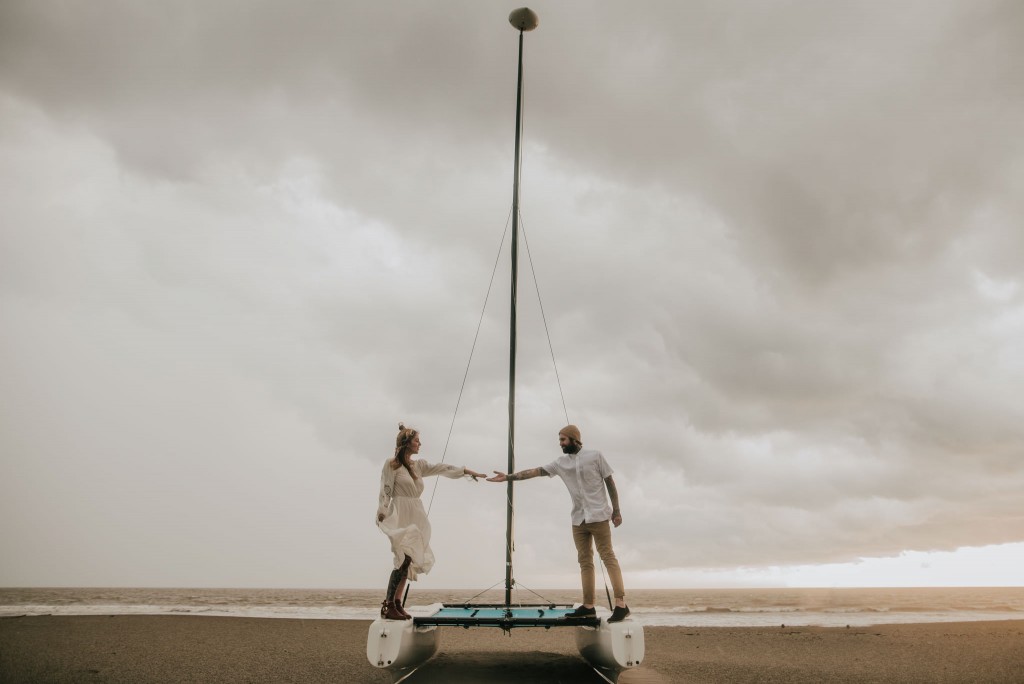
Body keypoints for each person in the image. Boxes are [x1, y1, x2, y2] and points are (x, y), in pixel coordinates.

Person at [487, 424, 631, 622]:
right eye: (559, 440)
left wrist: (617, 511)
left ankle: (621, 605)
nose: (560, 444)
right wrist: (508, 478)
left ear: (574, 439)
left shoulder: (595, 456)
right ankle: (588, 606)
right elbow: (534, 471)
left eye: (563, 440)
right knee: (584, 562)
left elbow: (610, 483)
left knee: (608, 557)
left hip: (599, 517)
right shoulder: (561, 463)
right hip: (578, 519)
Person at [376, 423, 486, 621]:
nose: (420, 443)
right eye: (417, 440)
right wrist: (382, 511)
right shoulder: (391, 464)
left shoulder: (418, 466)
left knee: (408, 559)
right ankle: (389, 604)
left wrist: (469, 472)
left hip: (416, 513)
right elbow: (386, 490)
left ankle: (397, 603)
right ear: (406, 443)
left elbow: (443, 468)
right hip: (400, 513)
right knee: (402, 559)